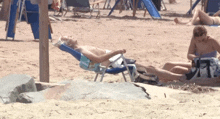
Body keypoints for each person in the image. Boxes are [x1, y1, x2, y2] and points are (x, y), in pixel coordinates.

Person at [135, 25, 220, 86]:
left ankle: (157, 80)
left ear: (205, 34)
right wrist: (195, 57)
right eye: (198, 40)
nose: (200, 42)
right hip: (195, 63)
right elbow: (189, 55)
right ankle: (154, 77)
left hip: (205, 67)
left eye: (202, 39)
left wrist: (214, 63)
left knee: (176, 70)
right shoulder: (194, 40)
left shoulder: (212, 41)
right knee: (168, 64)